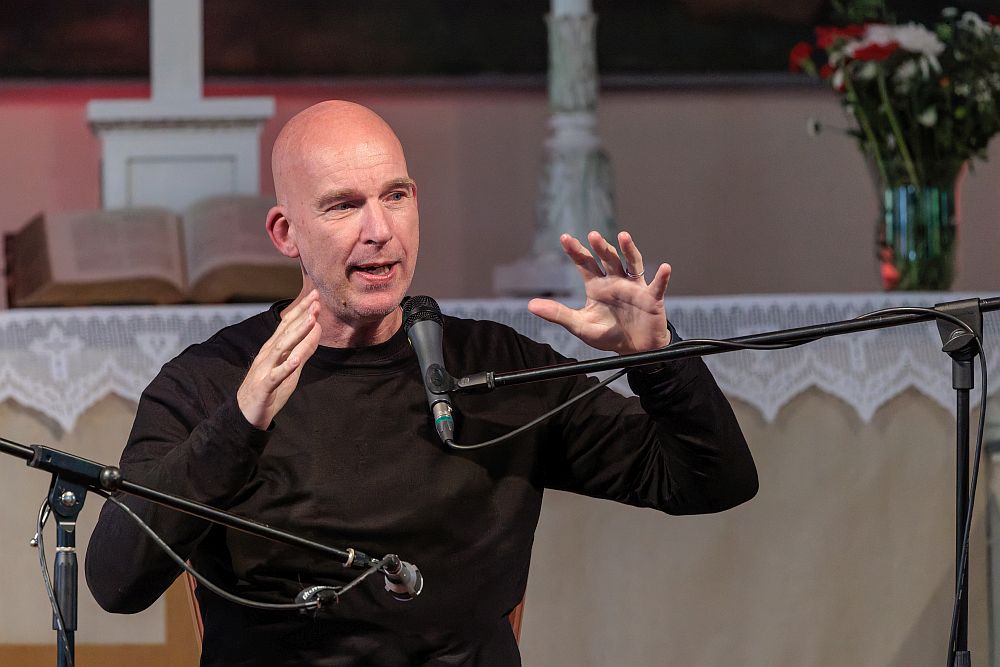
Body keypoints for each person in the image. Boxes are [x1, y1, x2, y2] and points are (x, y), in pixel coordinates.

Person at [86, 100, 757, 666]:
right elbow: (116, 583)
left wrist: (658, 360)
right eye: (344, 206)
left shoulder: (495, 364)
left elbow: (712, 482)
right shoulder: (212, 382)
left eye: (395, 196)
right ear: (286, 233)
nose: (380, 231)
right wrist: (240, 424)